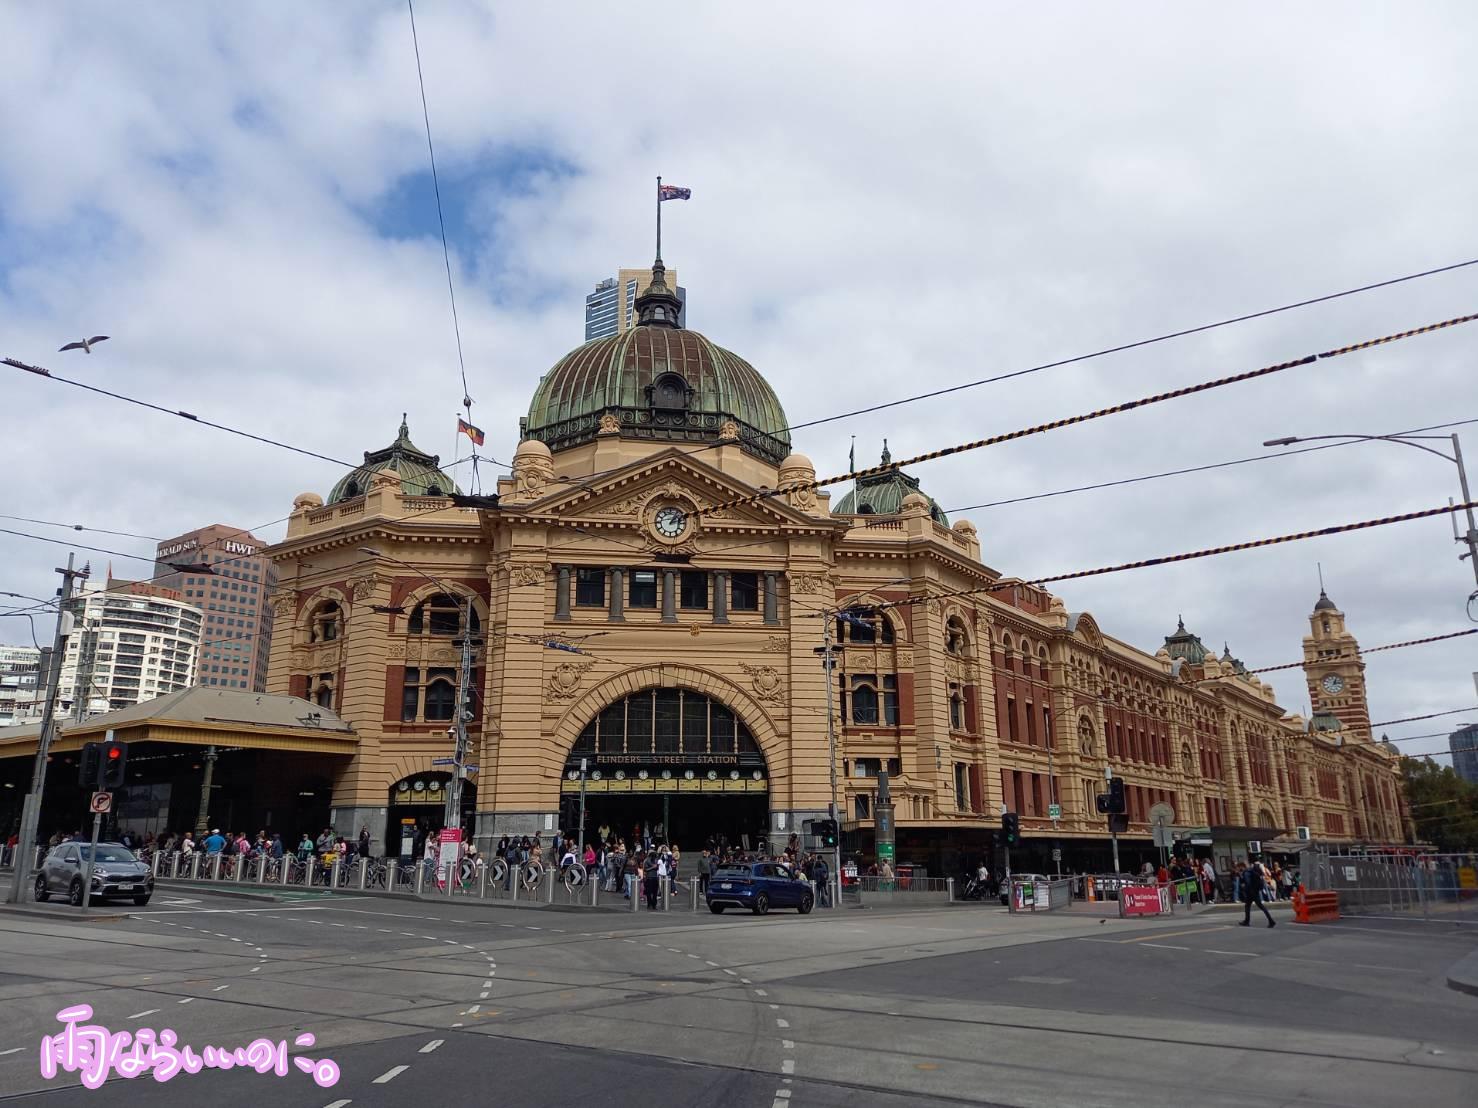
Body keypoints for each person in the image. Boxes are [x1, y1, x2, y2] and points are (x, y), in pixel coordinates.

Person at [1240, 856, 1275, 928]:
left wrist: (1245, 887)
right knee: (1259, 906)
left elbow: (1248, 882)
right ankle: (1270, 920)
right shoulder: (1253, 870)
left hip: (1250, 892)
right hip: (1255, 891)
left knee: (1248, 906)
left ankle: (1247, 921)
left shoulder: (1246, 872)